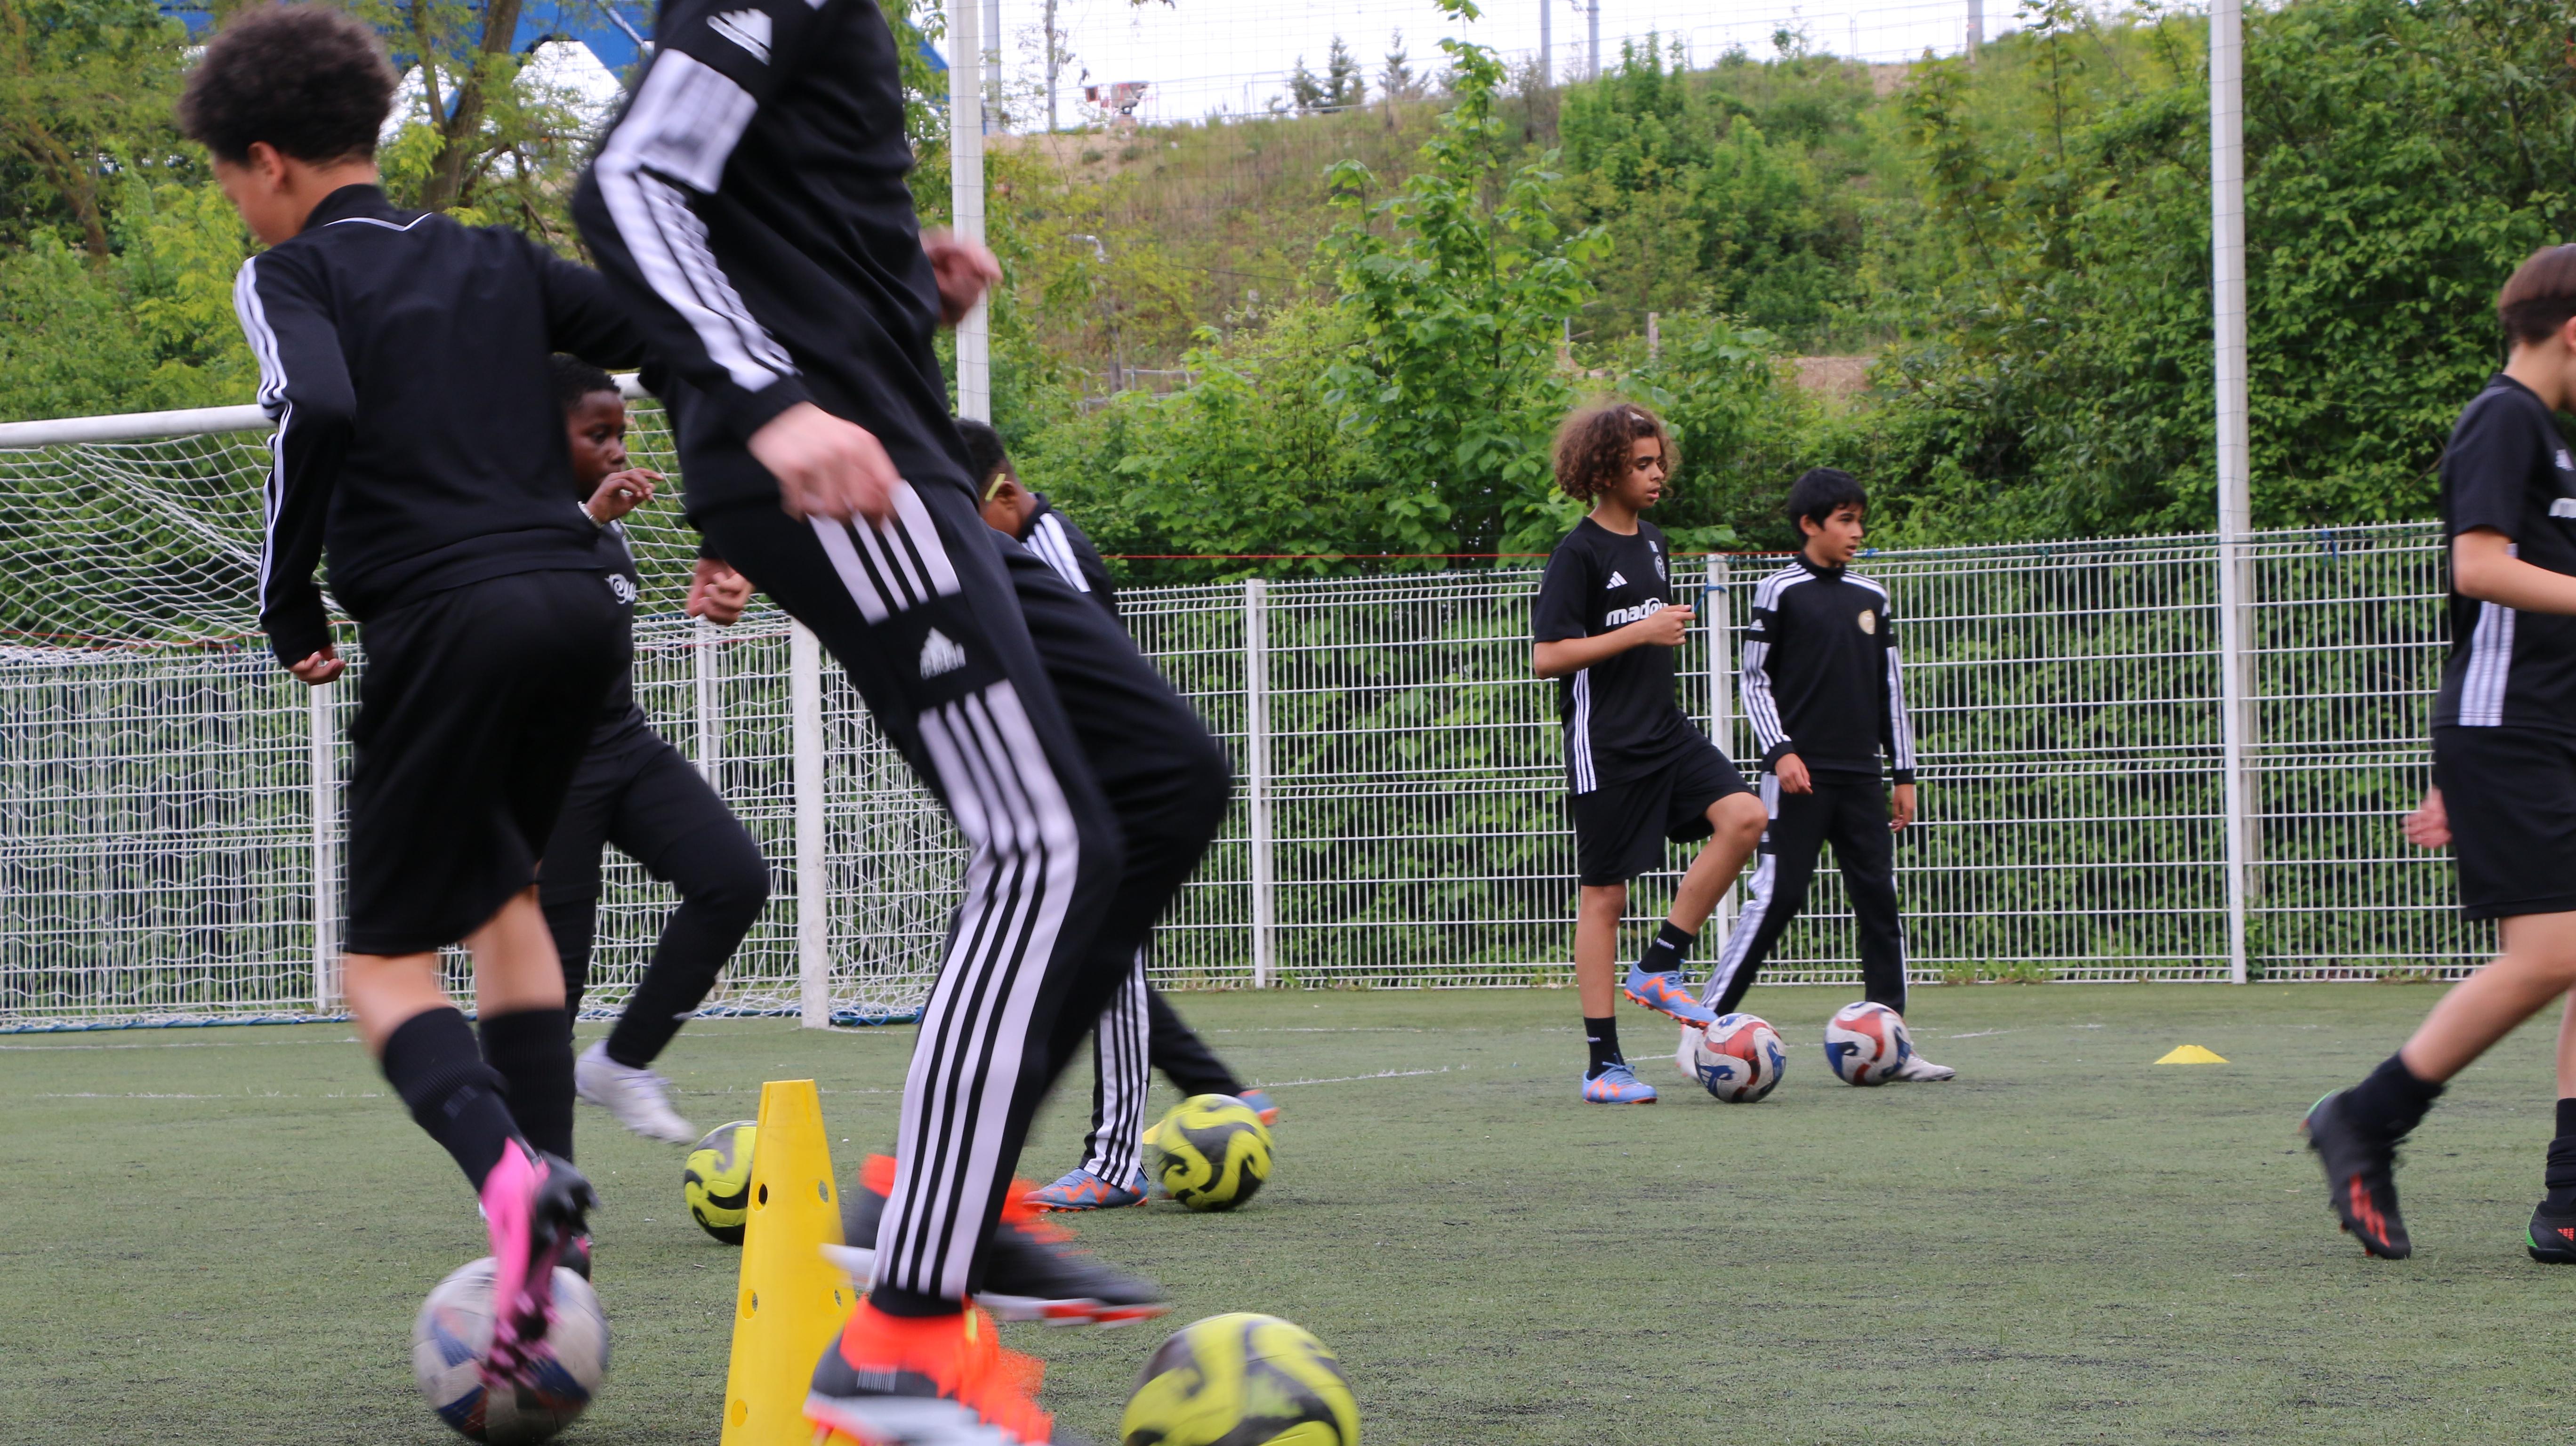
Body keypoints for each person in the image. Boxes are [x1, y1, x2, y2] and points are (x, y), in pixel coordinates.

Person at [571, 1, 1235, 1436]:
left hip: (913, 464)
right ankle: (903, 1333)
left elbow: (754, 209)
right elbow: (627, 184)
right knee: (1044, 845)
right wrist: (770, 400)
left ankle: (938, 1192)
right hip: (840, 471)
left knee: (1168, 778)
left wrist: (897, 288)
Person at [181, 4, 644, 1402]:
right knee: (503, 894)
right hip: (582, 608)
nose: (233, 202)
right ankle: (549, 1244)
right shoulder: (496, 258)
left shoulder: (292, 274)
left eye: (221, 176)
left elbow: (312, 414)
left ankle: (511, 1181)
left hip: (452, 619)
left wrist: (287, 602)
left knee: (382, 969)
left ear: (263, 161)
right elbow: (655, 328)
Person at [2307, 245, 2576, 1262]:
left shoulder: (2547, 442)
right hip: (2511, 731)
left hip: (2535, 729)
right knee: (2554, 955)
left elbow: (2489, 622)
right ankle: (2368, 1118)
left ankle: (2570, 1201)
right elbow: (2477, 569)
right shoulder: (2503, 418)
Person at [957, 418, 1275, 1211]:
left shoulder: (1047, 548)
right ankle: (1214, 1089)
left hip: (1104, 778)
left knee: (1111, 958)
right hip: (1070, 779)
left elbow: (1082, 669)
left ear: (1000, 494)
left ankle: (1114, 1160)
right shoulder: (1019, 541)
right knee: (1084, 956)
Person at [540, 357, 772, 1147]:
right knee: (553, 982)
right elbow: (503, 605)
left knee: (735, 878)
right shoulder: (498, 512)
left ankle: (621, 1061)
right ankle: (529, 1165)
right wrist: (585, 523)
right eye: (595, 434)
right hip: (540, 771)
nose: (615, 450)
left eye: (621, 434)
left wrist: (734, 571)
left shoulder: (602, 525)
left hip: (622, 744)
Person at [1532, 402, 1770, 1104]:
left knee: (1747, 817)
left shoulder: (1657, 541)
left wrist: (1654, 632)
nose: (1656, 471)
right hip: (1604, 745)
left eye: (1658, 458)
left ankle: (1660, 963)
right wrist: (1641, 632)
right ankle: (1604, 1065)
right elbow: (1549, 657)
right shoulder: (1578, 553)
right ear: (1604, 470)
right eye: (1640, 463)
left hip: (1667, 733)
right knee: (1605, 897)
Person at [1692, 468, 1954, 1084]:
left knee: (1878, 901)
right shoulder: (1779, 591)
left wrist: (1904, 772)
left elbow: (1890, 689)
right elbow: (1754, 680)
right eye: (1845, 520)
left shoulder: (1872, 597)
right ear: (1810, 525)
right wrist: (1780, 751)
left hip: (1861, 777)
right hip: (1796, 779)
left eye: (1860, 519)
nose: (1857, 531)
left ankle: (1894, 1045)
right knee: (1778, 898)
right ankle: (1705, 1028)